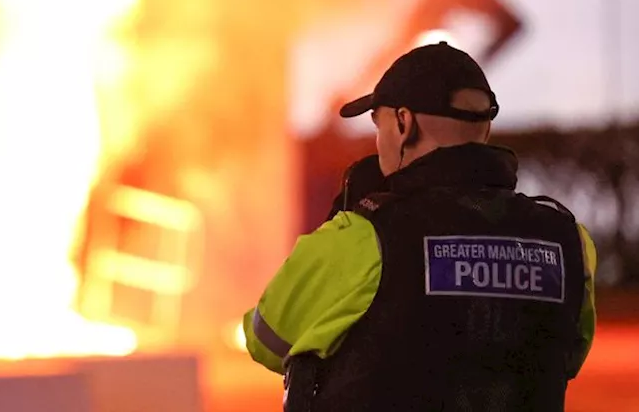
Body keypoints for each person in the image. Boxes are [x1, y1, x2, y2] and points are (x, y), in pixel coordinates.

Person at [243, 42, 597, 411]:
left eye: (378, 125)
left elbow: (267, 339)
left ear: (403, 123)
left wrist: (341, 225)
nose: (378, 142)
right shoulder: (567, 239)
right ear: (486, 128)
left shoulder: (365, 236)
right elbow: (569, 355)